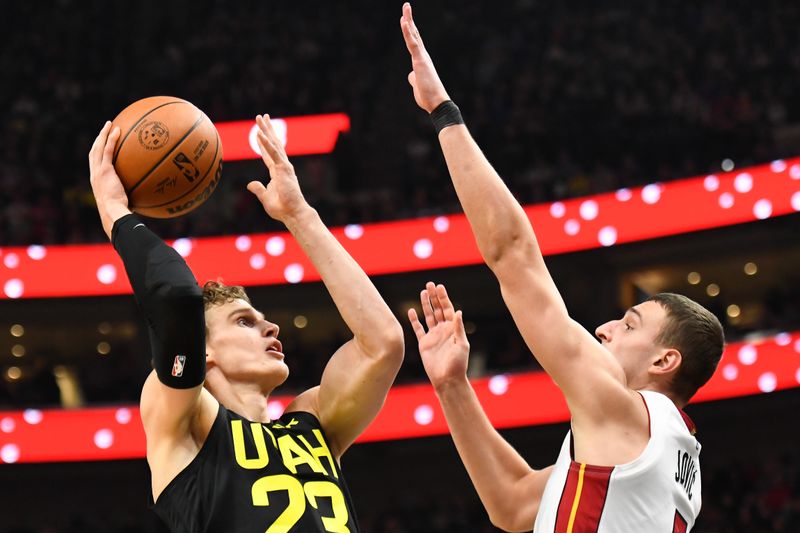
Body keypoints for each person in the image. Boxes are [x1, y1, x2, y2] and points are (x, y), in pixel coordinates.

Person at [400, 4, 724, 532]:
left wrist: (442, 111)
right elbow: (511, 503)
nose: (604, 327)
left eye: (629, 324)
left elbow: (512, 255)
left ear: (666, 360)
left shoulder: (630, 415)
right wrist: (454, 386)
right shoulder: (652, 447)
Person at [88, 114, 404, 532]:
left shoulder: (312, 422)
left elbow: (383, 343)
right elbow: (178, 299)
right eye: (244, 322)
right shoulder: (189, 422)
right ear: (204, 351)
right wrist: (113, 211)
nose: (271, 329)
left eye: (261, 320)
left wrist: (300, 216)